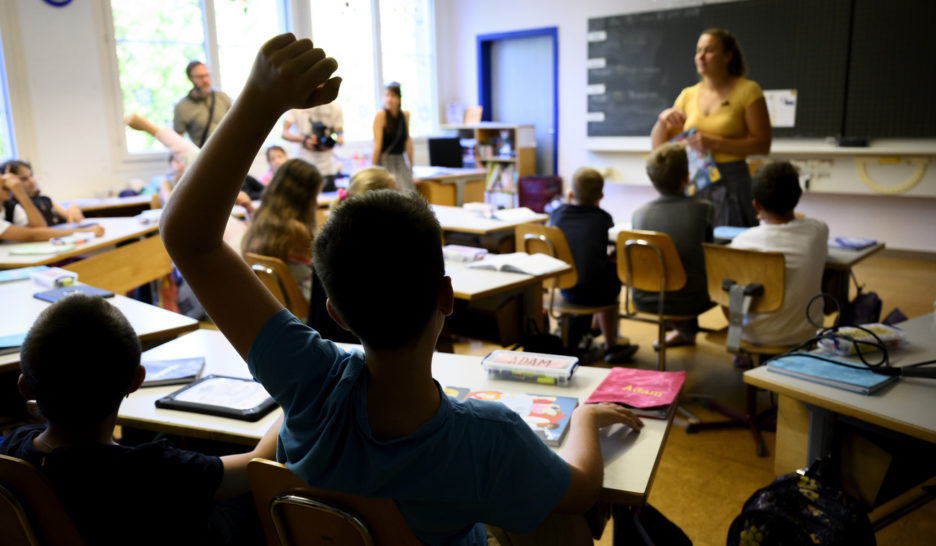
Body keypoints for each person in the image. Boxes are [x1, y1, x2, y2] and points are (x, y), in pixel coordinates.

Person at [160, 34, 643, 546]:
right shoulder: (487, 436)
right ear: (446, 297)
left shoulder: (308, 382)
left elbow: (189, 241)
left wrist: (259, 100)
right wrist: (586, 419)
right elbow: (581, 492)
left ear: (337, 314)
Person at [0, 293, 281, 545]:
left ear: (25, 388)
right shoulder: (152, 470)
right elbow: (257, 463)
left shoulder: (10, 451)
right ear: (137, 380)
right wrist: (293, 398)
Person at [650, 28, 771, 228]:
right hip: (695, 180)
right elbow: (660, 150)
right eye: (698, 51)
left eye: (709, 50)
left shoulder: (748, 90)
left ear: (728, 56)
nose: (701, 57)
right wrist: (661, 122)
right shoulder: (687, 95)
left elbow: (763, 144)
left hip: (733, 183)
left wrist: (715, 142)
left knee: (727, 249)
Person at [730, 161, 828, 346]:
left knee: (733, 289)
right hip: (807, 334)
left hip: (753, 337)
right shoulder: (818, 231)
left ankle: (737, 347)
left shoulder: (742, 242)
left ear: (756, 205)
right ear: (799, 195)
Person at [550, 167, 638, 364]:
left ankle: (588, 330)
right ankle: (610, 344)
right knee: (611, 274)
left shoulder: (557, 215)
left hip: (565, 288)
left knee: (589, 271)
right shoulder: (603, 219)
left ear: (570, 193)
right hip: (595, 293)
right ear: (601, 196)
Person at [632, 142, 714, 348]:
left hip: (645, 297)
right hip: (690, 299)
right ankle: (740, 349)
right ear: (687, 176)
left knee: (678, 267)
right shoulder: (703, 209)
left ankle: (683, 332)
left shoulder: (638, 214)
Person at [241, 158, 322, 302]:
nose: (316, 204)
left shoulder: (261, 222)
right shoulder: (297, 231)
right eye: (314, 196)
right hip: (304, 312)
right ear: (303, 197)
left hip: (276, 309)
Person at [0, 165, 104, 242]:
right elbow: (33, 235)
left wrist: (21, 195)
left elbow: (40, 229)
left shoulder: (9, 207)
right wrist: (85, 231)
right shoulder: (14, 204)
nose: (8, 182)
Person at [1, 160, 84, 226]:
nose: (31, 181)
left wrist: (72, 208)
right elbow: (37, 231)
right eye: (24, 179)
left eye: (31, 176)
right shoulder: (12, 206)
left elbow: (68, 216)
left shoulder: (45, 199)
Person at [282, 103, 344, 191]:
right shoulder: (297, 105)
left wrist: (331, 141)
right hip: (303, 167)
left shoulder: (335, 107)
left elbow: (339, 135)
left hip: (327, 169)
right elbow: (284, 133)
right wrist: (304, 139)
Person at [173, 60, 232, 146]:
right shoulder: (181, 107)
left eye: (207, 75)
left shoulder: (222, 97)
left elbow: (236, 123)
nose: (205, 80)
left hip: (230, 150)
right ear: (190, 78)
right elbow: (178, 141)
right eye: (200, 77)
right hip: (205, 155)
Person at [372, 82, 414, 193]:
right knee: (394, 193)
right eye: (386, 95)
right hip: (385, 162)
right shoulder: (381, 115)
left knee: (409, 192)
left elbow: (408, 141)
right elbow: (377, 145)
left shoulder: (405, 115)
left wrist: (411, 166)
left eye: (393, 96)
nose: (389, 99)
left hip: (401, 161)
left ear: (399, 99)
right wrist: (372, 169)